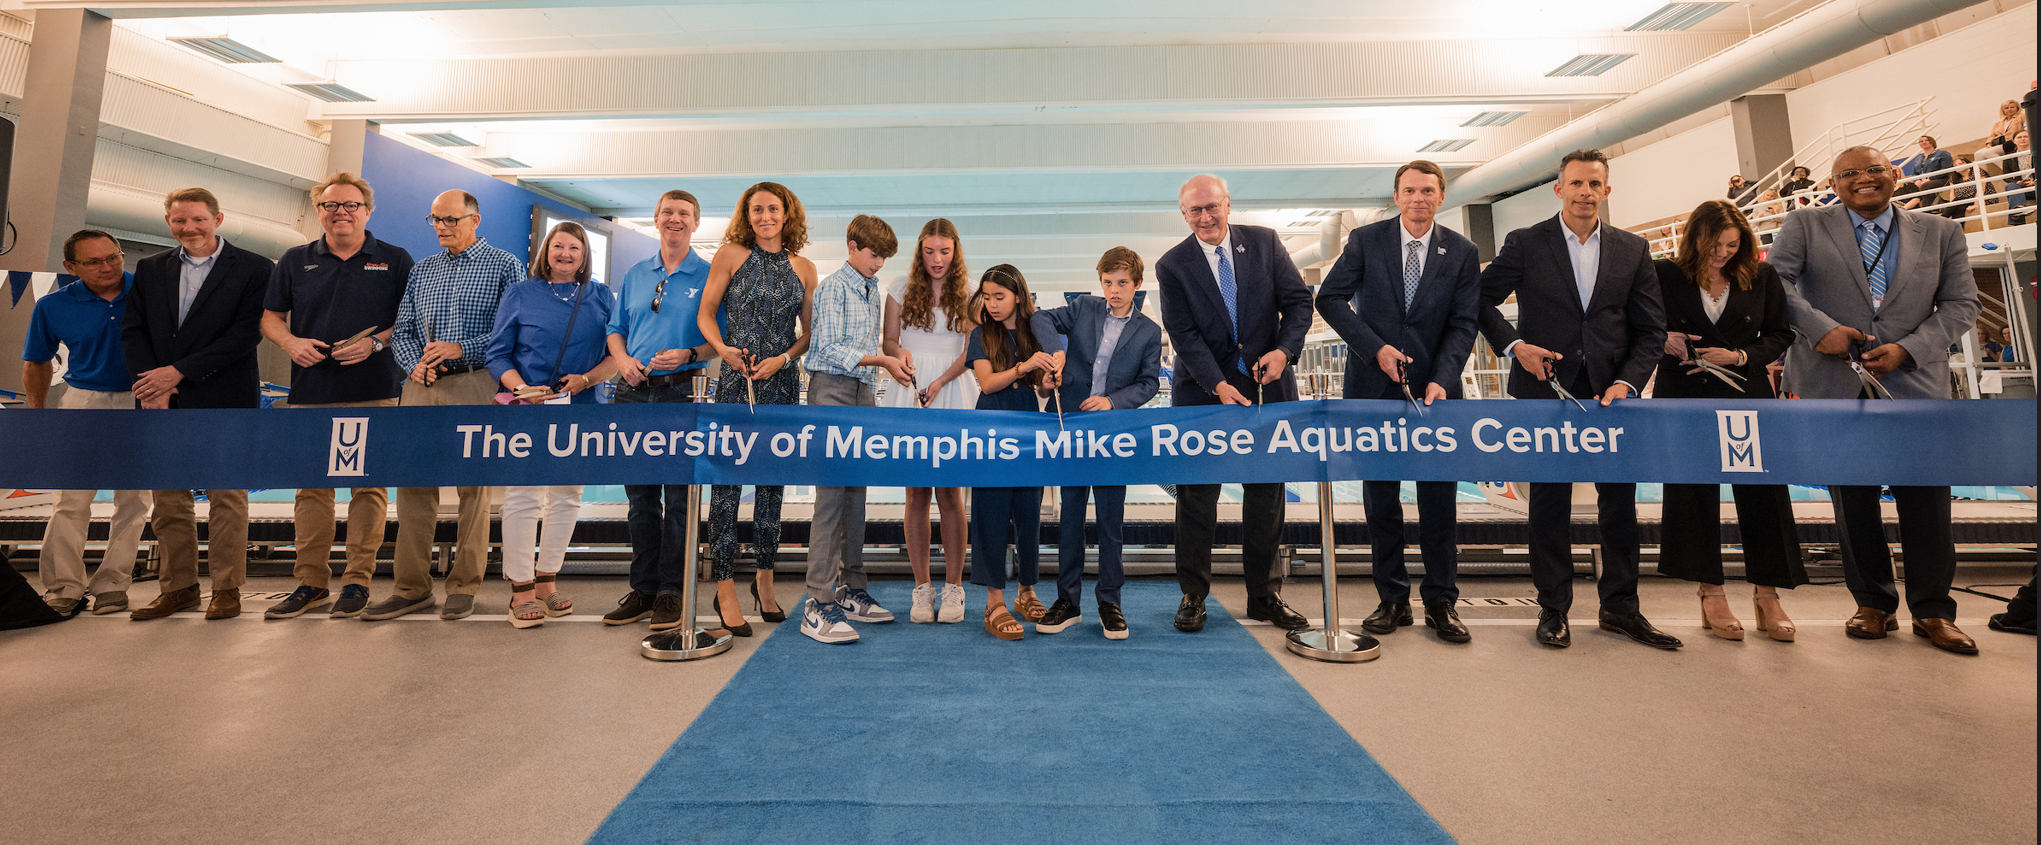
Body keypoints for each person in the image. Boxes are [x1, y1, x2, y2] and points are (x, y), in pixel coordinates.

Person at [1773, 145, 1982, 655]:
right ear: (1832, 184)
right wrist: (1820, 330)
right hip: (1833, 380)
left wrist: (1910, 349)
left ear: (1894, 176)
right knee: (1853, 500)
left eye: (1873, 170)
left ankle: (1933, 611)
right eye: (1849, 173)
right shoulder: (1805, 224)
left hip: (1914, 382)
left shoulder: (1941, 231)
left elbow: (1962, 304)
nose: (1862, 179)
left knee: (1927, 501)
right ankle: (1872, 604)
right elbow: (1774, 284)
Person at [1476, 149, 1681, 650]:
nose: (1585, 192)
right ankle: (1553, 608)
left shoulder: (1633, 249)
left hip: (1612, 395)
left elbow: (1651, 330)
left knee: (1620, 505)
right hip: (1545, 389)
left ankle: (1621, 607)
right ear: (1559, 189)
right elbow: (1479, 300)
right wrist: (1515, 346)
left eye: (1594, 184)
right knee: (1549, 503)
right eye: (1576, 183)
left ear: (1606, 191)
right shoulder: (1526, 243)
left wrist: (1628, 382)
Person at [1314, 160, 1482, 644]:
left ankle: (1441, 601)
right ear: (1396, 196)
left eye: (1427, 191)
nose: (1418, 199)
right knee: (1381, 500)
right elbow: (1330, 299)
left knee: (1438, 501)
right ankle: (1392, 598)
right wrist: (1376, 349)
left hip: (1434, 393)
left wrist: (1444, 379)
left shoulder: (1462, 251)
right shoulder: (1367, 241)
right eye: (1409, 190)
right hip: (1373, 388)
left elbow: (1464, 323)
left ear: (1441, 196)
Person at [699, 182, 869, 641]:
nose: (765, 217)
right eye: (756, 209)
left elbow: (809, 334)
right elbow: (706, 313)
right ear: (747, 215)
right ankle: (724, 586)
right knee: (727, 484)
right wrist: (723, 350)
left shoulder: (805, 268)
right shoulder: (730, 255)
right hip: (736, 379)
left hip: (780, 381)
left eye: (773, 209)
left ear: (787, 214)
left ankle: (765, 578)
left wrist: (784, 359)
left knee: (772, 483)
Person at [1156, 174, 1312, 634]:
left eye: (1212, 207)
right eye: (1195, 210)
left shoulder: (1264, 243)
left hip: (1268, 386)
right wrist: (1218, 384)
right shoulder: (1173, 265)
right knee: (1197, 498)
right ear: (1183, 214)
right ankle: (1193, 594)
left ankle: (1265, 595)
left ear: (1228, 204)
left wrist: (1284, 351)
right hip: (1203, 394)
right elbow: (1183, 334)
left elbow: (1298, 303)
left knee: (1266, 496)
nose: (1205, 217)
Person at [1651, 200, 1806, 642]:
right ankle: (1711, 592)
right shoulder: (1664, 275)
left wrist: (1739, 356)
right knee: (1693, 493)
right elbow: (1637, 325)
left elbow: (1780, 333)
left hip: (1746, 393)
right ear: (1695, 240)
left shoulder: (1761, 276)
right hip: (1684, 394)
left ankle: (1768, 594)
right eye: (1714, 245)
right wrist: (1663, 338)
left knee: (1763, 493)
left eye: (1732, 246)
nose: (1722, 254)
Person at [259, 173, 411, 620]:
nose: (340, 212)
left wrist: (376, 343)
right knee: (311, 490)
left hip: (374, 392)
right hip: (311, 393)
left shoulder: (394, 259)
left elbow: (410, 319)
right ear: (319, 211)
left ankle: (358, 581)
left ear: (367, 211)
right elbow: (270, 317)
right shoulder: (295, 259)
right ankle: (310, 583)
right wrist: (290, 343)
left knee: (369, 488)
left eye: (350, 205)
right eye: (331, 205)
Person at [368, 189, 523, 622]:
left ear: (475, 220)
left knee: (475, 489)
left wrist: (461, 348)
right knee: (413, 487)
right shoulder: (423, 270)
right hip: (422, 387)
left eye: (450, 219)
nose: (441, 227)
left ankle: (464, 585)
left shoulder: (505, 265)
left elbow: (513, 332)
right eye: (435, 219)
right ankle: (411, 588)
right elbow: (403, 331)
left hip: (476, 382)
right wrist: (413, 365)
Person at [125, 189, 272, 622]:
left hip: (225, 396)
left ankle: (226, 588)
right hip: (160, 399)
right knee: (169, 499)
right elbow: (134, 331)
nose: (188, 228)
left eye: (197, 219)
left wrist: (178, 373)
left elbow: (246, 334)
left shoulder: (255, 268)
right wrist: (152, 386)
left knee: (228, 496)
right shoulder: (151, 268)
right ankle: (179, 588)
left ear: (217, 219)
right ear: (168, 222)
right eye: (179, 220)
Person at [486, 221, 617, 628]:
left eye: (574, 248)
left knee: (568, 495)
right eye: (558, 246)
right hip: (530, 409)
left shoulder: (601, 296)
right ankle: (520, 588)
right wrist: (521, 388)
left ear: (584, 255)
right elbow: (497, 354)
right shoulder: (521, 294)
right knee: (524, 495)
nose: (565, 254)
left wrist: (587, 380)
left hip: (582, 408)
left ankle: (547, 580)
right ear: (546, 251)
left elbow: (616, 355)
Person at [1029, 247, 1162, 640]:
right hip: (1073, 429)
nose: (1114, 290)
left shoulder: (1149, 332)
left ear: (1137, 284)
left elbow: (1149, 383)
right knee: (1070, 518)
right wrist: (1056, 350)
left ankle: (1110, 602)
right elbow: (1039, 317)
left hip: (1112, 435)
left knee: (1109, 522)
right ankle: (1067, 601)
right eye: (1107, 282)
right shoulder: (1084, 308)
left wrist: (1112, 401)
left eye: (1122, 283)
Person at [605, 189, 718, 631]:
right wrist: (622, 360)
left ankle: (673, 590)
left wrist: (689, 353)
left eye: (684, 214)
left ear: (695, 223)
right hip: (632, 394)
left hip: (681, 394)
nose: (675, 219)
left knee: (679, 499)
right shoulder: (636, 274)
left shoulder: (708, 276)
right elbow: (616, 329)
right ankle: (644, 588)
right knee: (640, 500)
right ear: (655, 219)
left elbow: (718, 343)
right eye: (667, 212)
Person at [21, 231, 148, 619]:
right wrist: (39, 416)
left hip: (141, 399)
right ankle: (64, 586)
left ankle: (113, 583)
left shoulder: (148, 293)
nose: (107, 267)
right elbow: (36, 362)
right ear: (70, 267)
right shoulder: (52, 305)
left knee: (134, 500)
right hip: (82, 401)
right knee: (71, 500)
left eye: (114, 257)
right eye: (94, 262)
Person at [804, 215, 912, 643]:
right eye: (873, 254)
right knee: (831, 498)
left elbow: (872, 347)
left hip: (863, 391)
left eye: (884, 257)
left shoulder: (871, 290)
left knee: (855, 498)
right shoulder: (833, 287)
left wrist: (892, 359)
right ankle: (817, 600)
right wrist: (883, 360)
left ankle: (852, 588)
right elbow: (828, 348)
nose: (879, 263)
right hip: (831, 390)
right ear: (852, 246)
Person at [883, 218, 978, 624]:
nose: (937, 259)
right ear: (919, 251)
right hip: (910, 389)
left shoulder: (971, 292)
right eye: (929, 251)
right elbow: (889, 341)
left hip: (952, 389)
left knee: (950, 493)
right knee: (916, 493)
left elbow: (970, 352)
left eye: (944, 251)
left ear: (955, 251)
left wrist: (939, 381)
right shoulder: (899, 289)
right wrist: (900, 358)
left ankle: (954, 587)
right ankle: (921, 588)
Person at [966, 265, 1057, 641]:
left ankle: (1027, 591)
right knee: (990, 513)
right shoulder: (980, 335)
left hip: (1027, 428)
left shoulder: (1035, 332)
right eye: (986, 297)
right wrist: (1024, 367)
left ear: (1018, 296)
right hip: (991, 430)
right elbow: (987, 383)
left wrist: (1047, 380)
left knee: (1028, 512)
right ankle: (994, 602)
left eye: (999, 297)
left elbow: (1041, 387)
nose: (992, 304)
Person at [1897, 136, 1954, 211]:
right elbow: (1915, 173)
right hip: (1923, 181)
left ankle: (1926, 210)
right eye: (1921, 141)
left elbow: (1946, 169)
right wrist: (1917, 180)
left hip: (1941, 179)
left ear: (1932, 142)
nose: (1924, 142)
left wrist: (1930, 179)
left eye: (1926, 140)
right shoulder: (1918, 158)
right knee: (1910, 187)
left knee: (1925, 186)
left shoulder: (1942, 154)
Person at [2003, 130, 2031, 226]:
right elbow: (2006, 176)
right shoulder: (2009, 157)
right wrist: (2017, 182)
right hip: (2021, 186)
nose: (2023, 139)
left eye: (2026, 136)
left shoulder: (2036, 152)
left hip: (2036, 185)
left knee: (2013, 195)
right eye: (2019, 137)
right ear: (2014, 141)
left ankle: (2016, 221)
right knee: (2010, 186)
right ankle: (2020, 208)